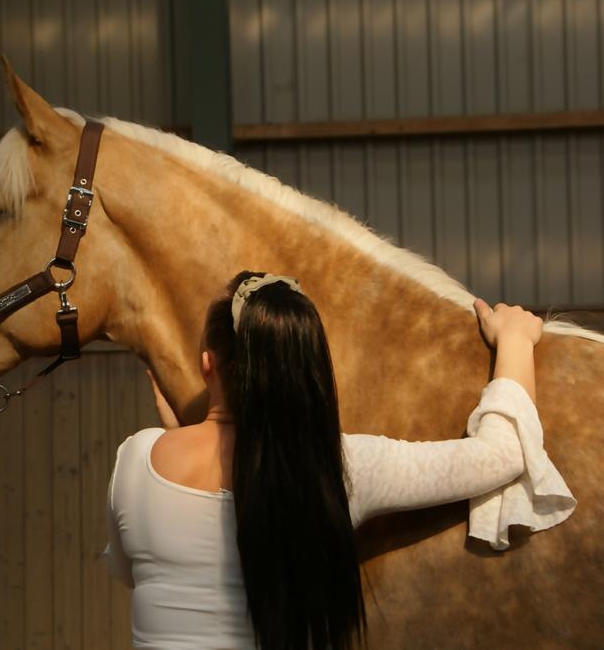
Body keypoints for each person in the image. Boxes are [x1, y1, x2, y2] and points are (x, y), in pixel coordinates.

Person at [103, 269, 556, 650]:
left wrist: (179, 437)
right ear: (305, 370)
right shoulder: (333, 468)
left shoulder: (135, 461)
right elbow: (501, 455)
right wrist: (515, 341)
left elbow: (149, 572)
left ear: (207, 365)